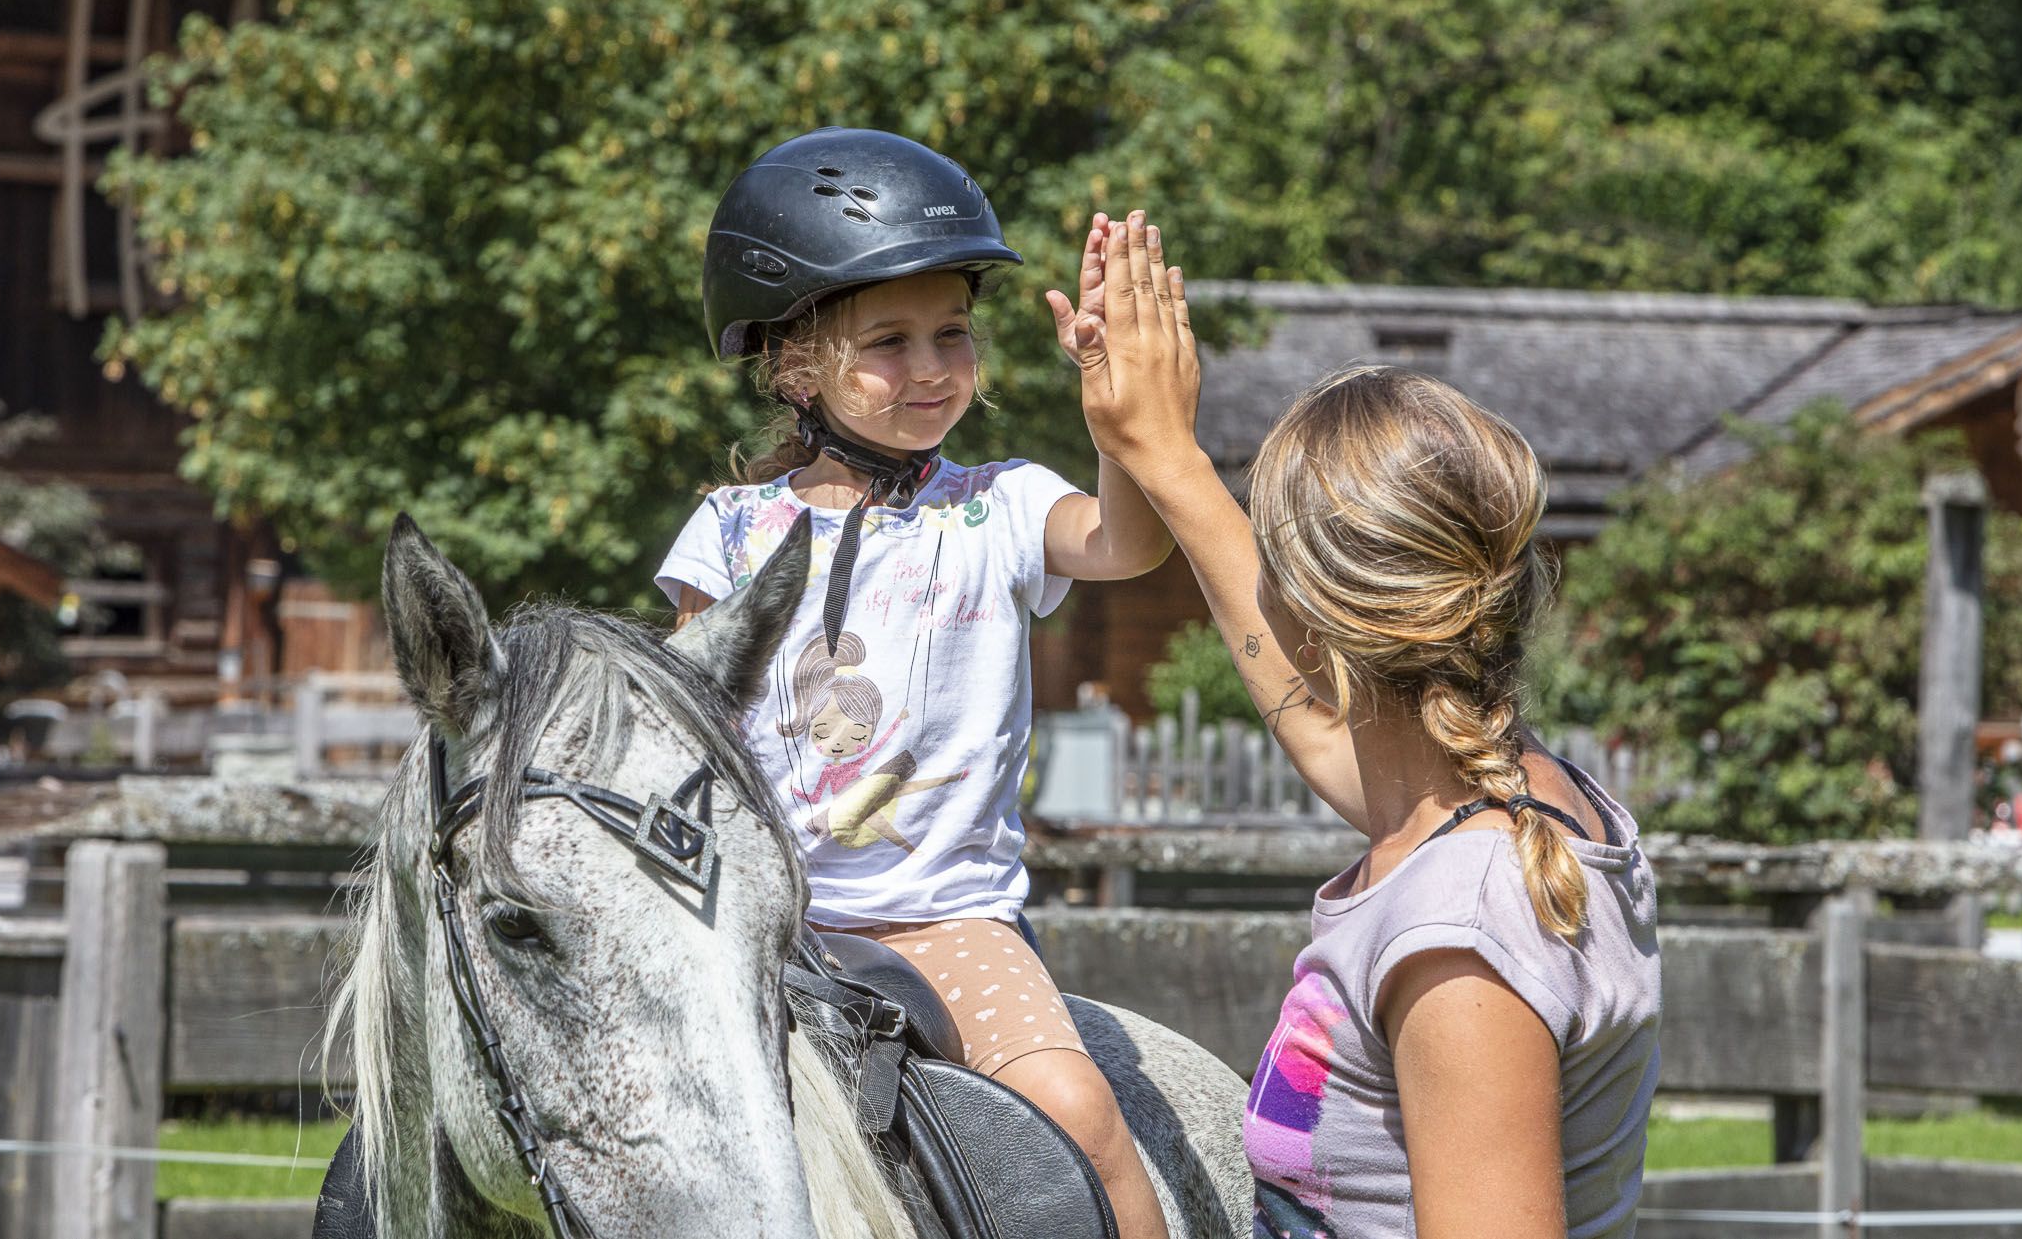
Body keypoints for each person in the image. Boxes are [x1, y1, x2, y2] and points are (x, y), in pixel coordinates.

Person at [1066, 214, 1661, 1237]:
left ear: (1307, 608)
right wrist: (1162, 455)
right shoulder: (1519, 798)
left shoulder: (1460, 934)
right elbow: (1314, 724)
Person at [657, 128, 1176, 1238]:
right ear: (797, 366)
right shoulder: (729, 532)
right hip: (759, 927)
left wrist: (1117, 425)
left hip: (945, 923)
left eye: (951, 332)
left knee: (1080, 1111)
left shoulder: (999, 506)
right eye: (889, 340)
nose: (933, 365)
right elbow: (679, 726)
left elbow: (1127, 544)